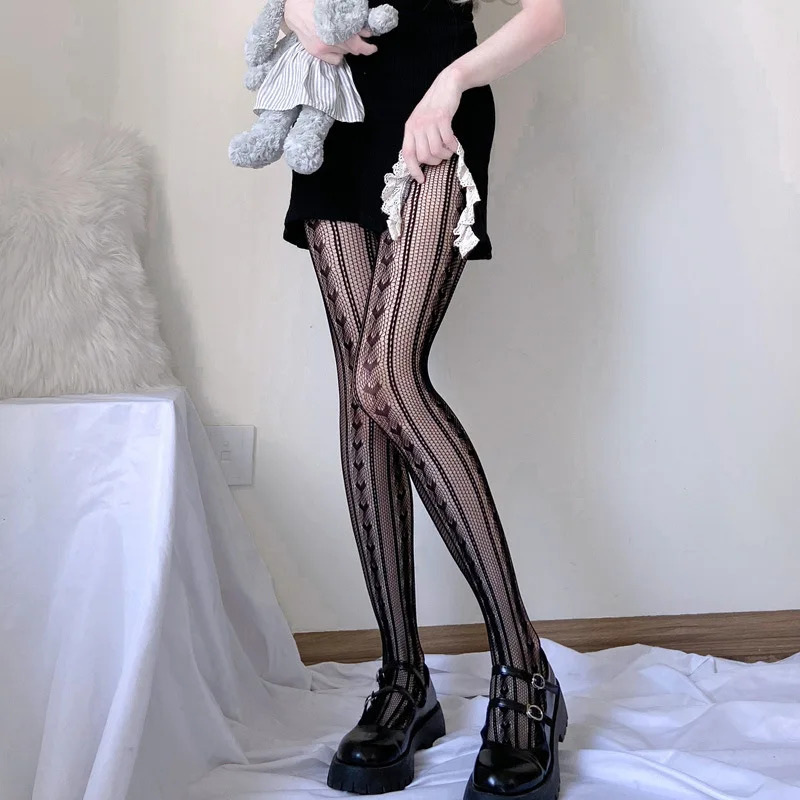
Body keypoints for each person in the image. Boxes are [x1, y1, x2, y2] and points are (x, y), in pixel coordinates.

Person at [280, 0, 566, 797]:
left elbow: (545, 18)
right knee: (360, 394)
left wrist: (452, 83)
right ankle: (403, 678)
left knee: (388, 377)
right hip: (334, 105)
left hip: (437, 101)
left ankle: (524, 671)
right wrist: (298, 12)